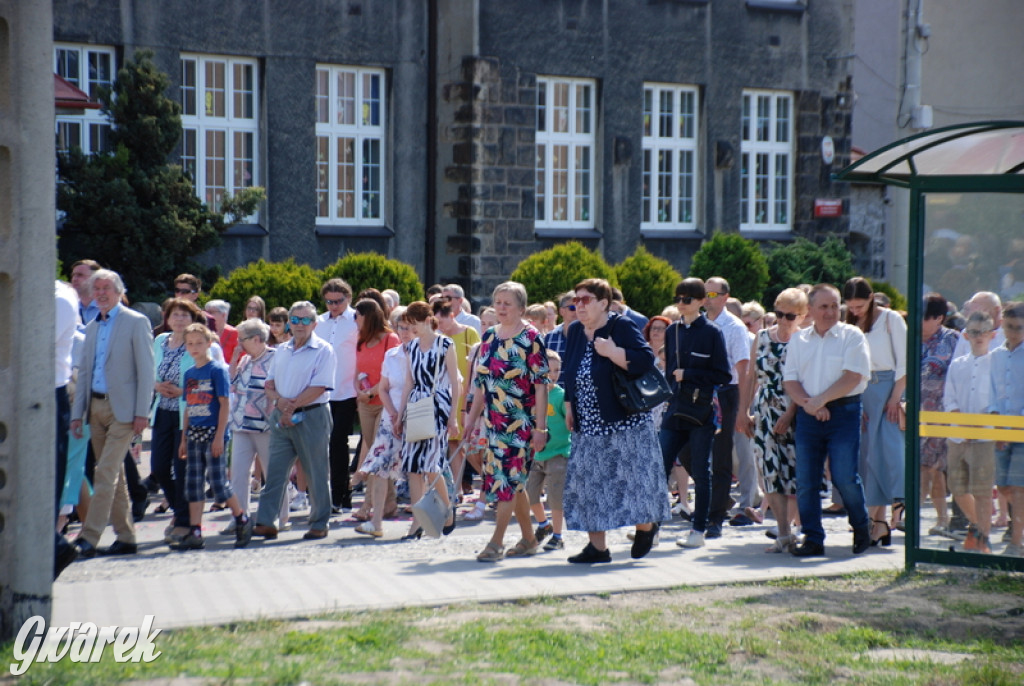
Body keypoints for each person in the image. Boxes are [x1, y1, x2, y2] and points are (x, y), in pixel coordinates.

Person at [561, 278, 670, 562]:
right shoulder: (574, 331)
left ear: (603, 303)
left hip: (625, 421)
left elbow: (645, 360)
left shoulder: (620, 326)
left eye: (586, 300)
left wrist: (613, 352)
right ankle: (597, 548)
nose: (579, 305)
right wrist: (569, 405)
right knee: (589, 485)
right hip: (588, 424)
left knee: (633, 481)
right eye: (577, 300)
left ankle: (646, 527)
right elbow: (569, 372)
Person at [782, 283, 872, 557]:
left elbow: (853, 377)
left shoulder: (852, 336)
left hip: (843, 412)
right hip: (810, 416)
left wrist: (818, 401)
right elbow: (790, 380)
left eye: (835, 306)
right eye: (824, 306)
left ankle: (861, 526)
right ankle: (813, 538)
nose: (831, 312)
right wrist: (810, 405)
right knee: (807, 479)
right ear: (810, 310)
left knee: (845, 477)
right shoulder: (799, 340)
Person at [70, 269, 155, 558]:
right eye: (97, 289)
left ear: (119, 292)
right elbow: (83, 375)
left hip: (125, 412)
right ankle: (127, 537)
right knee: (113, 475)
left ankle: (89, 538)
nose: (102, 293)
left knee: (103, 473)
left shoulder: (136, 322)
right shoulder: (92, 327)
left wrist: (142, 412)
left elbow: (146, 371)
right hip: (95, 409)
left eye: (107, 288)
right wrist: (77, 414)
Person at [463, 282, 550, 561]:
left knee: (505, 482)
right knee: (513, 484)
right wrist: (470, 422)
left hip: (520, 425)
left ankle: (496, 542)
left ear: (522, 308)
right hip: (494, 423)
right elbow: (481, 383)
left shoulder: (531, 337)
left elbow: (541, 386)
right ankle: (528, 539)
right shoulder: (488, 336)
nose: (501, 307)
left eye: (507, 303)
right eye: (497, 302)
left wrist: (540, 428)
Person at [252, 301, 336, 540]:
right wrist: (280, 404)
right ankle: (266, 521)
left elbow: (320, 386)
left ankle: (319, 522)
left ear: (314, 323)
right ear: (289, 322)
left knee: (316, 471)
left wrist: (291, 405)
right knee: (275, 471)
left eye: (305, 320)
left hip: (312, 415)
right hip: (282, 414)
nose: (300, 325)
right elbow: (269, 385)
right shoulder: (282, 350)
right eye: (296, 320)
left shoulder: (324, 349)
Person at [658, 278, 731, 549]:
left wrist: (689, 374)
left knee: (701, 470)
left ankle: (699, 530)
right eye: (678, 298)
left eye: (687, 299)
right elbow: (669, 374)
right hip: (675, 409)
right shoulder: (672, 331)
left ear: (701, 301)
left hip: (700, 411)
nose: (681, 303)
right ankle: (650, 528)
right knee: (659, 468)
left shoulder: (712, 332)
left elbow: (723, 374)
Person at [737, 288, 808, 553]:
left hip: (796, 411)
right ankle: (783, 532)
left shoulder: (805, 341)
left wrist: (790, 413)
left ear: (802, 316)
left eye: (790, 315)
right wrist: (743, 411)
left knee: (796, 472)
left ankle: (800, 527)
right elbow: (751, 376)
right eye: (779, 314)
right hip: (765, 412)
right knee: (770, 472)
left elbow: (805, 382)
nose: (783, 320)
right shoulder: (763, 338)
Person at [174, 324, 252, 550]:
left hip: (213, 433)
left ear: (209, 344)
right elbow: (188, 407)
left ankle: (241, 519)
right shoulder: (190, 374)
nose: (194, 347)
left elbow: (224, 403)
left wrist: (220, 436)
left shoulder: (217, 370)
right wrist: (183, 438)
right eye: (190, 343)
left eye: (199, 343)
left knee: (219, 482)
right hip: (194, 434)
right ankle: (195, 530)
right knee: (194, 483)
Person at [843, 277, 906, 547]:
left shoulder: (891, 320)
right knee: (867, 457)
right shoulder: (849, 324)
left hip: (889, 388)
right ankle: (877, 523)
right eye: (851, 305)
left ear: (871, 298)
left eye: (860, 304)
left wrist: (895, 397)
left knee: (888, 453)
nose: (856, 310)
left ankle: (894, 507)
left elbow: (905, 361)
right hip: (860, 389)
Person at [395, 301, 461, 539]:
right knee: (413, 467)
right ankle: (417, 522)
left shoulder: (445, 343)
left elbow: (455, 382)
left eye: (414, 324)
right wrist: (400, 415)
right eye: (407, 325)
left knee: (431, 466)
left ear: (426, 320)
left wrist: (453, 416)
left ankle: (447, 509)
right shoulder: (411, 347)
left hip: (438, 404)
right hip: (416, 404)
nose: (411, 329)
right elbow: (409, 382)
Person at [149, 297, 207, 544]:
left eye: (185, 314)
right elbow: (151, 371)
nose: (180, 319)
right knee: (159, 467)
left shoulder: (199, 343)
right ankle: (178, 510)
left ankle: (184, 521)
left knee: (183, 468)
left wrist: (182, 391)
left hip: (188, 413)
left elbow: (208, 378)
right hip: (163, 409)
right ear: (167, 318)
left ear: (193, 319)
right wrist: (157, 385)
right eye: (175, 314)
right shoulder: (160, 341)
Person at [353, 308, 413, 538]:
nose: (405, 332)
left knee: (422, 472)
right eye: (402, 327)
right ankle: (376, 521)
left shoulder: (427, 353)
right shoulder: (392, 355)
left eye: (410, 328)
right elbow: (385, 388)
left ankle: (427, 519)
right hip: (391, 417)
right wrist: (393, 414)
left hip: (416, 417)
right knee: (379, 467)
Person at [226, 318, 290, 529]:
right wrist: (235, 359)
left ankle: (280, 517)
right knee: (238, 473)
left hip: (265, 426)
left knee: (273, 473)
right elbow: (232, 386)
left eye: (241, 339)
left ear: (256, 339)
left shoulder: (275, 357)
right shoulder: (245, 360)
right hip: (241, 424)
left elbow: (280, 387)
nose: (238, 343)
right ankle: (240, 518)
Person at [703, 277, 753, 535]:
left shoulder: (734, 327)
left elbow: (743, 369)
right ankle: (718, 499)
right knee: (687, 451)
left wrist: (742, 408)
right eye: (705, 294)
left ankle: (715, 518)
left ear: (725, 297)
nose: (707, 299)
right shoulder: (698, 323)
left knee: (722, 457)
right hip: (700, 391)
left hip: (725, 392)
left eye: (713, 294)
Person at [943, 310, 996, 554]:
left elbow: (997, 401)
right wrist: (961, 424)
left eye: (983, 332)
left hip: (984, 437)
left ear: (992, 334)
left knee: (982, 490)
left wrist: (979, 425)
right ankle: (978, 528)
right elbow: (949, 397)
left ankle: (982, 542)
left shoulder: (997, 364)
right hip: (957, 436)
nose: (978, 337)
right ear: (965, 335)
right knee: (957, 486)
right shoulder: (957, 364)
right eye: (973, 332)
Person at [350, 298, 401, 519]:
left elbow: (390, 373)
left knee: (374, 455)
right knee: (377, 454)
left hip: (384, 402)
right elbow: (356, 369)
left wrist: (371, 392)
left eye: (357, 316)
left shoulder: (391, 339)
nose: (355, 320)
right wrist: (358, 392)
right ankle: (389, 503)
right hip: (365, 404)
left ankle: (367, 506)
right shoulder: (361, 339)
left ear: (367, 316)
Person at [919, 292, 961, 536]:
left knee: (931, 468)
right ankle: (932, 518)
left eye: (925, 317)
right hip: (912, 413)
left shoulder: (953, 340)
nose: (919, 322)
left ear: (939, 318)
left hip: (941, 414)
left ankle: (935, 519)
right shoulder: (909, 340)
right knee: (923, 467)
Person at [317, 278, 359, 512]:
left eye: (338, 301)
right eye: (329, 301)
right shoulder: (319, 322)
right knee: (321, 446)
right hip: (321, 391)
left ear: (348, 299)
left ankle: (343, 495)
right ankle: (326, 496)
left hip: (346, 390)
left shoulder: (355, 321)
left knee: (338, 444)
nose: (333, 306)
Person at [526, 349, 571, 551]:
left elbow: (570, 422)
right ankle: (544, 525)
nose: (553, 374)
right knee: (530, 495)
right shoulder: (534, 394)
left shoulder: (561, 395)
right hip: (538, 454)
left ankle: (558, 536)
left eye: (556, 370)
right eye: (548, 370)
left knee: (555, 498)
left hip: (558, 453)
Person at [989, 302, 1024, 558]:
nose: (1015, 333)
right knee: (1003, 487)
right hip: (1001, 428)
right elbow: (992, 392)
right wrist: (996, 424)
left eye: (1020, 328)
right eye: (1010, 327)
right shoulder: (996, 355)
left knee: (1018, 486)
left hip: (1021, 428)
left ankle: (1016, 542)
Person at [69, 258, 101, 329]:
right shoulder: (71, 306)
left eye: (80, 275)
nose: (74, 279)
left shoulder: (106, 307)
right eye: (73, 275)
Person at [543, 292, 577, 358]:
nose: (577, 311)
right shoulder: (549, 338)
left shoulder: (589, 336)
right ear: (561, 311)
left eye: (579, 307)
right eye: (572, 308)